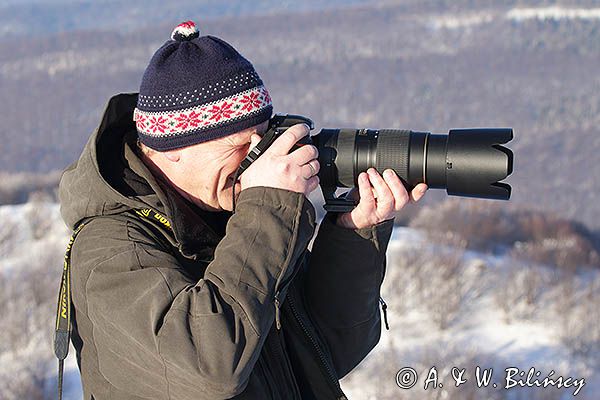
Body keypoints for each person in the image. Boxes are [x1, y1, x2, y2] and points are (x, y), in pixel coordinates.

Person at [58, 20, 428, 400]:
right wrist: (268, 205)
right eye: (239, 144)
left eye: (263, 137)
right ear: (171, 149)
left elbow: (330, 351)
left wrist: (352, 234)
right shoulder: (111, 253)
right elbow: (211, 370)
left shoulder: (233, 217)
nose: (257, 158)